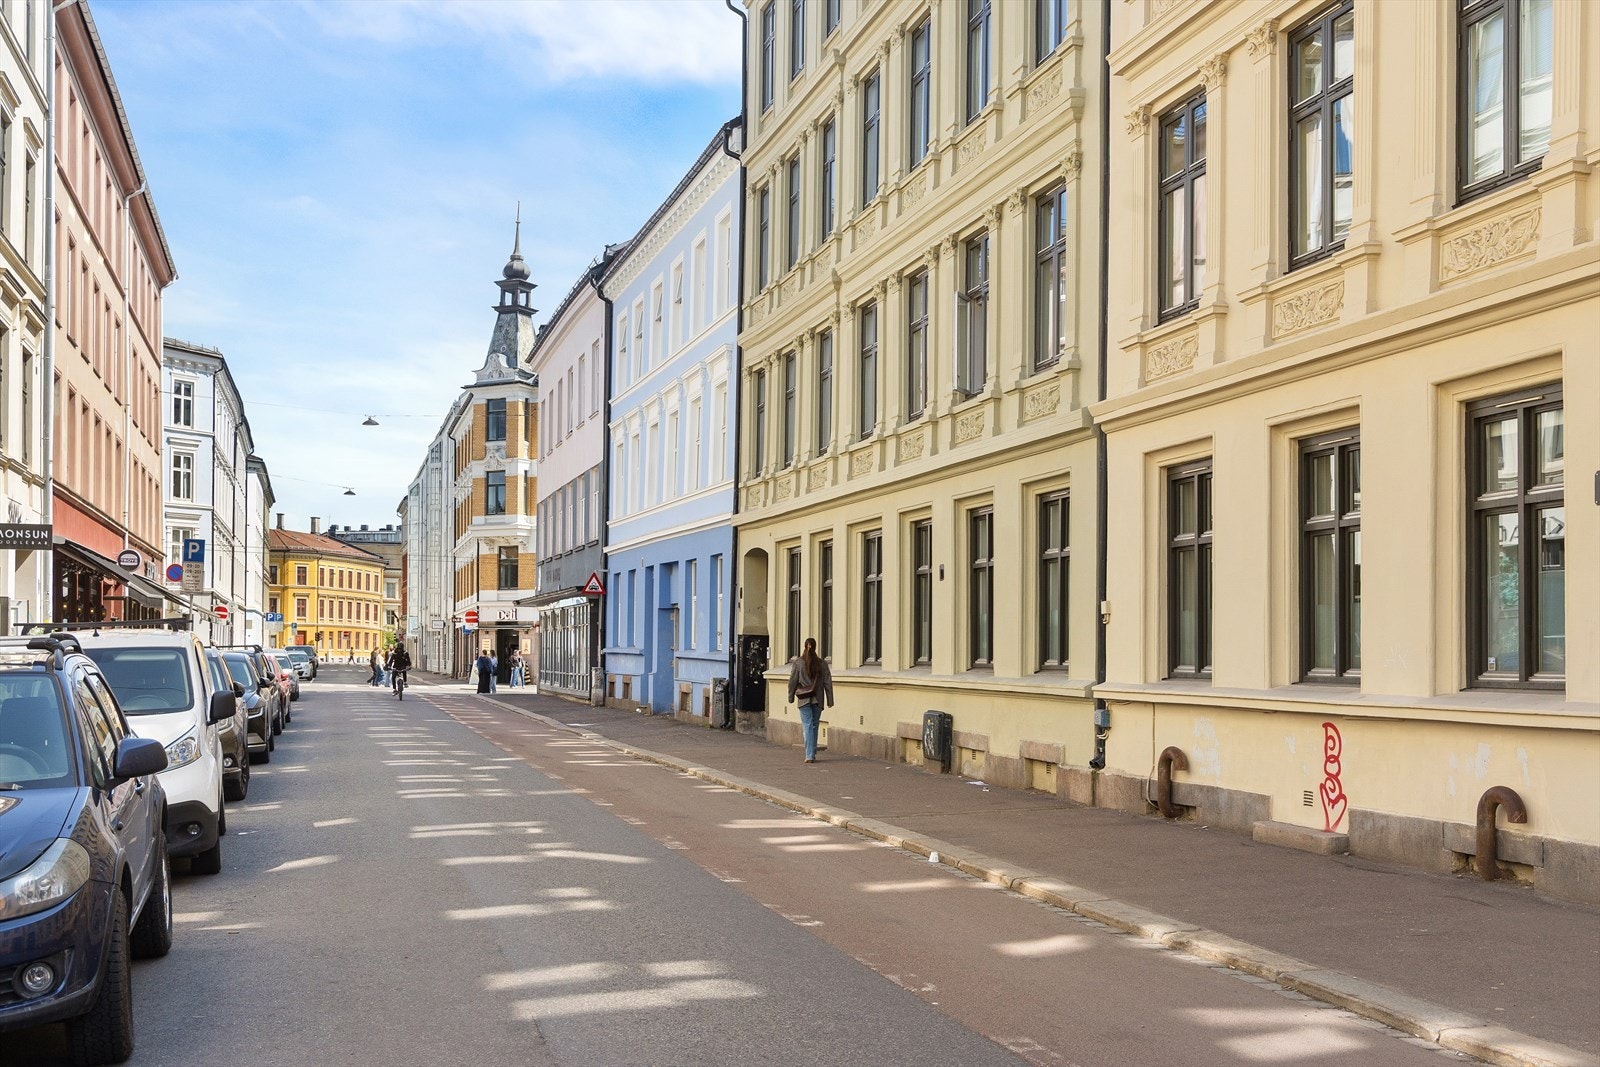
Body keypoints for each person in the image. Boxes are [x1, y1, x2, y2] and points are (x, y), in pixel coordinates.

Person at [786, 637, 834, 764]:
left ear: (804, 646)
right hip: (818, 698)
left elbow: (793, 681)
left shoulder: (798, 663)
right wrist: (830, 699)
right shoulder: (822, 664)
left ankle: (809, 755)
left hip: (803, 699)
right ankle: (811, 752)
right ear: (815, 647)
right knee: (814, 725)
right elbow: (827, 682)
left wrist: (790, 696)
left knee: (807, 725)